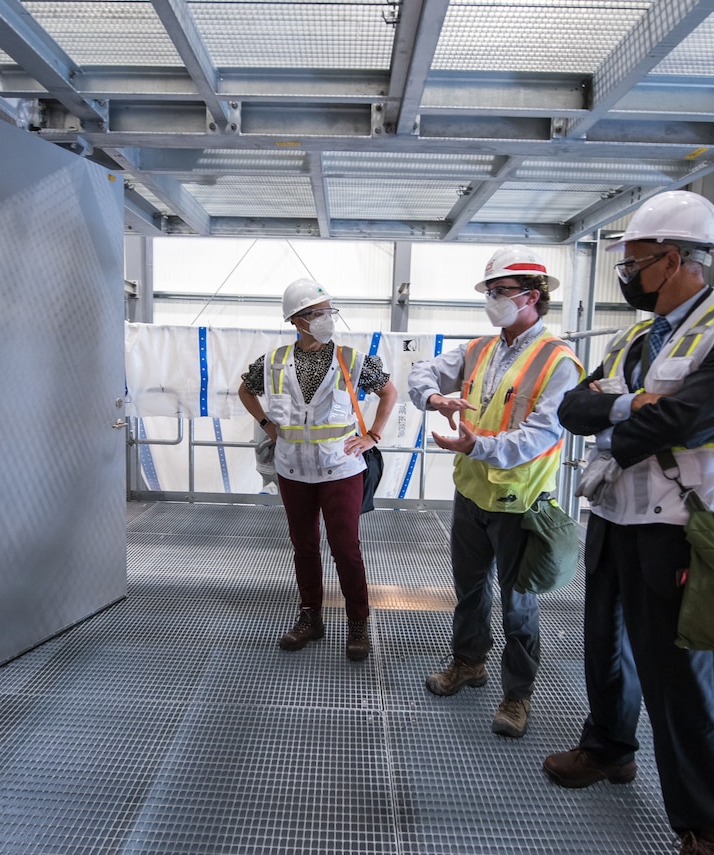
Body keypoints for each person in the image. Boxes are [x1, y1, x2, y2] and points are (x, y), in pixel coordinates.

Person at [544, 190, 714, 855]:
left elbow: (690, 418)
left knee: (680, 680)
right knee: (606, 650)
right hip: (615, 516)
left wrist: (616, 413)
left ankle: (707, 823)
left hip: (685, 527)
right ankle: (608, 749)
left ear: (678, 258)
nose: (625, 273)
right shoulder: (634, 335)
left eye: (635, 260)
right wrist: (634, 403)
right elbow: (572, 408)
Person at [407, 246, 582, 738]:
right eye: (489, 292)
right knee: (469, 589)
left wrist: (475, 444)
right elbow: (421, 372)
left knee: (518, 604)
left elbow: (543, 434)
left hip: (519, 502)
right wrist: (437, 397)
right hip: (471, 494)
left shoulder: (559, 361)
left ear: (531, 296)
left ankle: (517, 696)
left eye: (499, 292)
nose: (491, 300)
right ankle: (468, 663)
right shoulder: (479, 349)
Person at [238, 278, 397, 661]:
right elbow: (246, 390)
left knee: (345, 548)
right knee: (303, 546)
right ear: (297, 319)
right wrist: (266, 425)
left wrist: (373, 434)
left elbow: (389, 391)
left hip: (341, 467)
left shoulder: (353, 359)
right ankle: (311, 616)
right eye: (317, 313)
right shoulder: (274, 361)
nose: (327, 318)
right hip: (293, 469)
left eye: (329, 311)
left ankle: (357, 621)